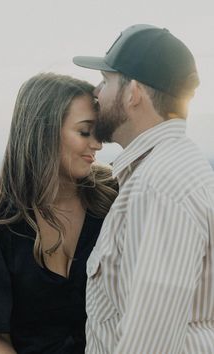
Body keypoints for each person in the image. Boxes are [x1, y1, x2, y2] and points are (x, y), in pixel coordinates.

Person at [73, 24, 214, 353]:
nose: (97, 91)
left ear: (133, 92)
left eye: (107, 81)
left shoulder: (157, 187)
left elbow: (151, 343)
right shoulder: (178, 167)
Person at [0, 72, 118, 354]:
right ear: (44, 130)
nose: (97, 145)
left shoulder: (115, 198)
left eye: (98, 133)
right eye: (84, 132)